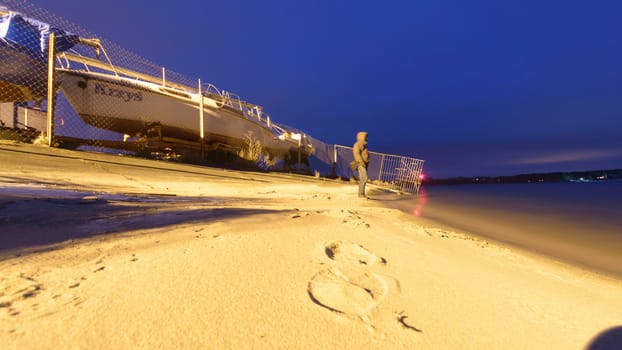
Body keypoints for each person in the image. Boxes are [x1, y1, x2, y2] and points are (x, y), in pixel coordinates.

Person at [352, 131, 369, 198]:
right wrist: (361, 162)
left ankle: (362, 194)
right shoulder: (357, 145)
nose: (366, 139)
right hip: (360, 164)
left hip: (363, 164)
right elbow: (356, 154)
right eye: (365, 137)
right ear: (362, 137)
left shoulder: (363, 146)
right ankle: (361, 194)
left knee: (363, 179)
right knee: (364, 178)